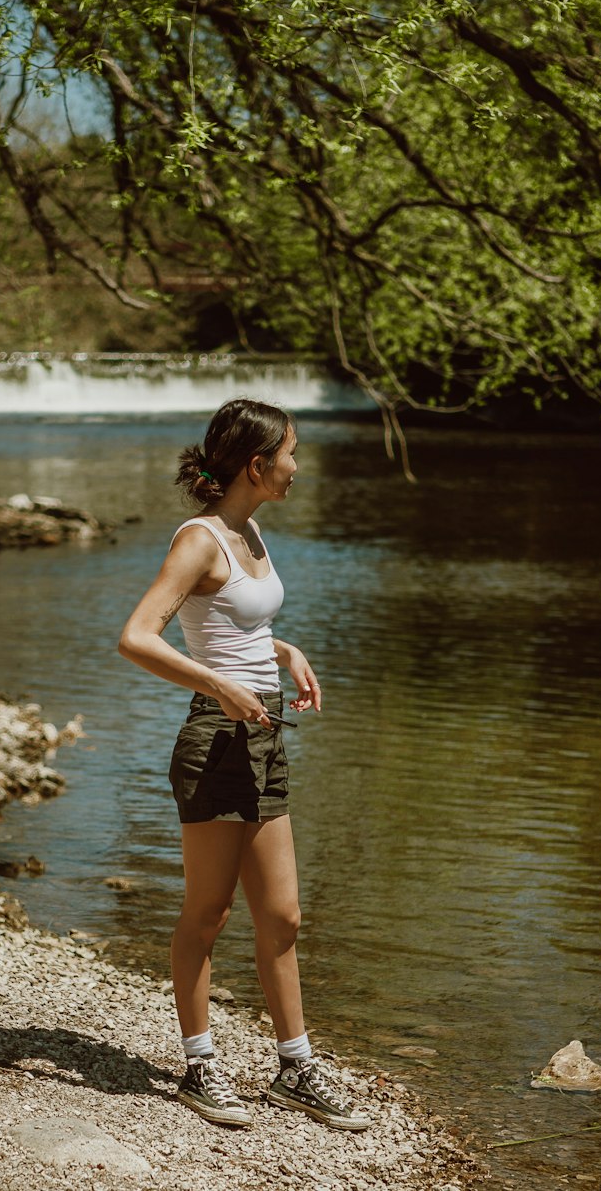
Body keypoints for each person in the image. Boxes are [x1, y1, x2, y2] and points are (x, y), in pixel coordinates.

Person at [119, 398, 370, 1131]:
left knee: (283, 916)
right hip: (214, 741)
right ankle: (200, 1065)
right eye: (291, 452)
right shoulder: (200, 539)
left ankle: (295, 1067)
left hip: (265, 739)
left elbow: (236, 622)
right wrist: (219, 683)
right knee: (209, 911)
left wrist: (282, 653)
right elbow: (137, 636)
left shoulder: (248, 530)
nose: (299, 465)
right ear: (257, 466)